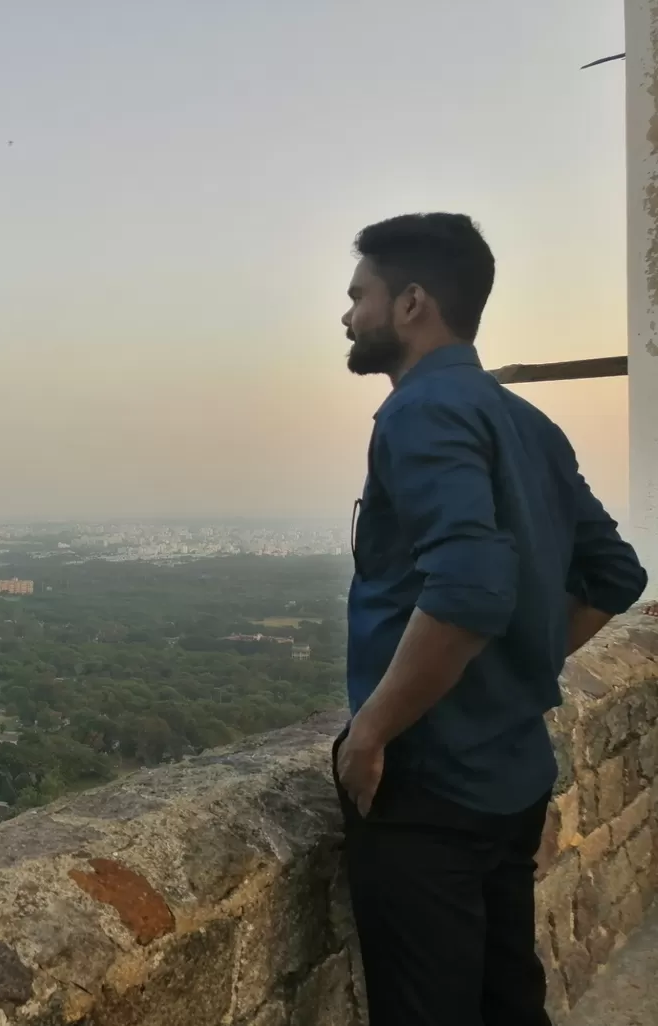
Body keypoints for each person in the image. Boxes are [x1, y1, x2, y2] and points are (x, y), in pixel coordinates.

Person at [336, 212, 648, 1025]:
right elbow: (617, 574)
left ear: (411, 304)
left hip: (428, 785)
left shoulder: (419, 413)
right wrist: (517, 666)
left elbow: (471, 589)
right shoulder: (527, 421)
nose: (347, 315)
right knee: (508, 999)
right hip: (510, 775)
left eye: (358, 296)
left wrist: (371, 732)